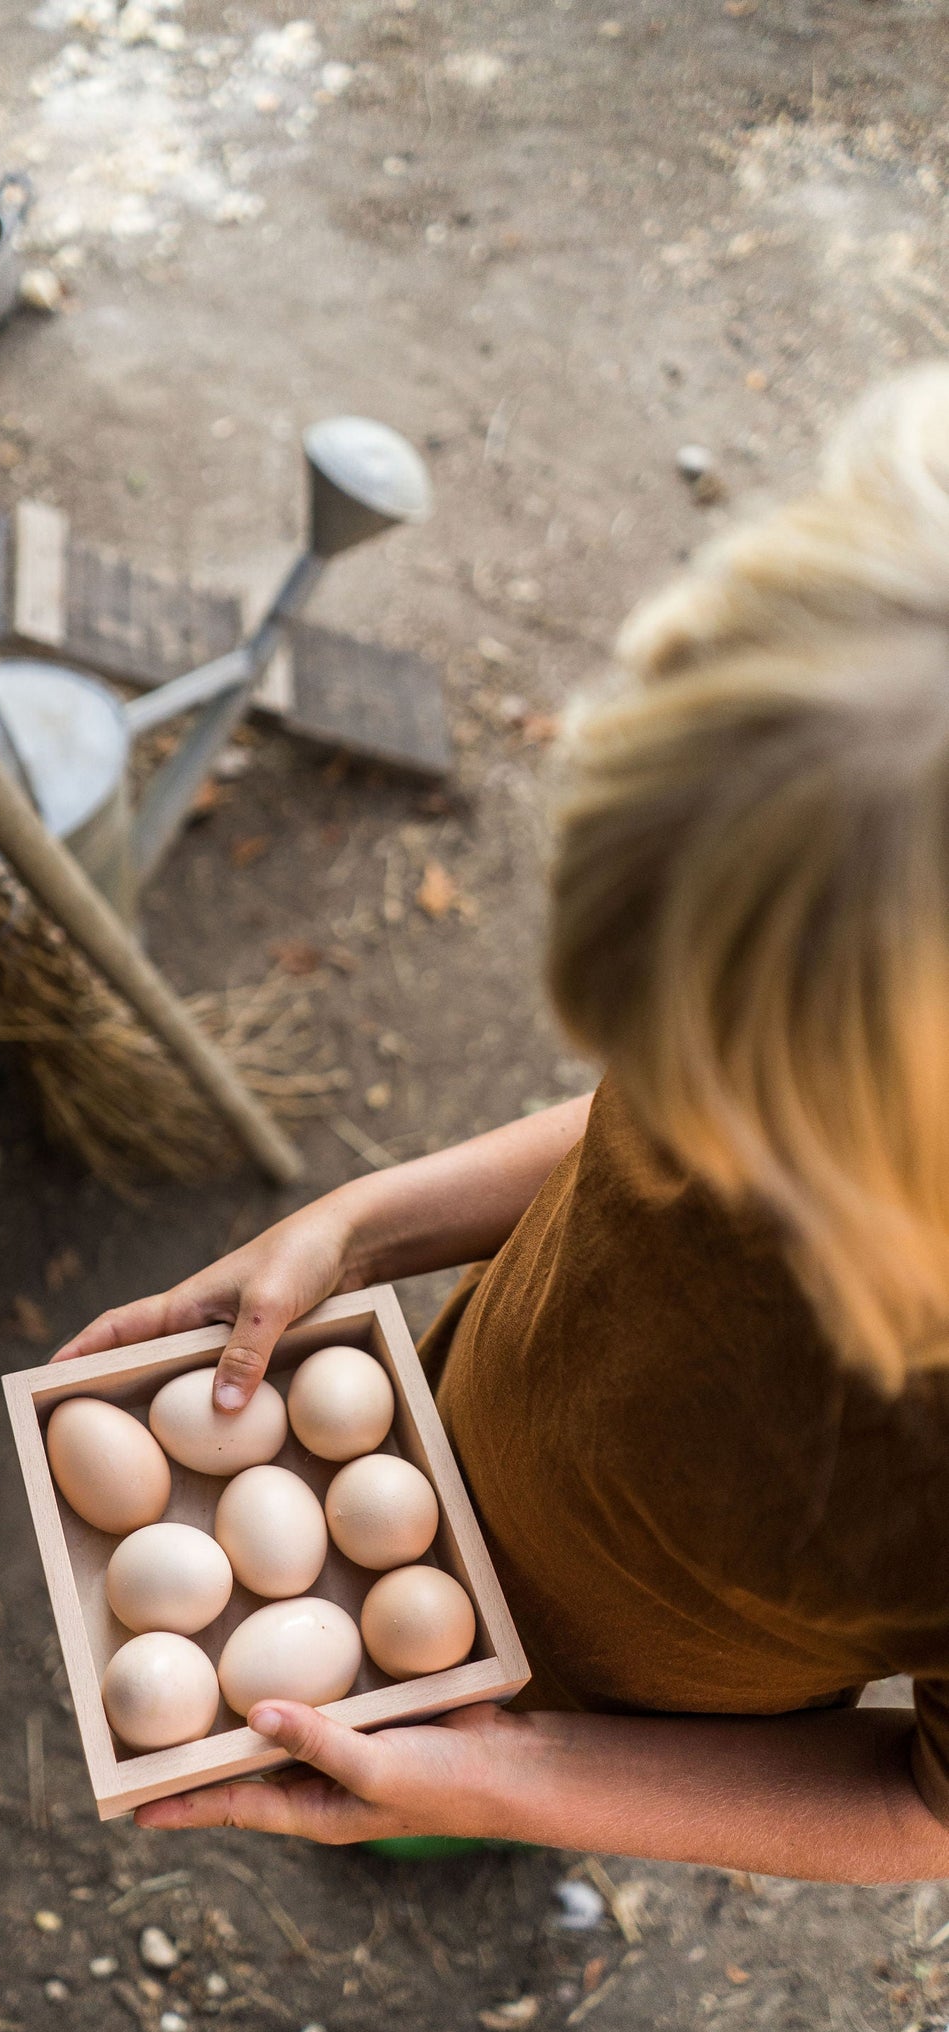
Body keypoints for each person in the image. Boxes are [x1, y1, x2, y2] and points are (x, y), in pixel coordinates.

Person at [55, 368, 949, 1883]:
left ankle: (453, 1834)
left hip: (631, 1714)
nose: (695, 1127)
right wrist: (364, 1229)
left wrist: (516, 1777)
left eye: (776, 1129)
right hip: (476, 1420)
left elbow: (926, 1811)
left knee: (415, 1807)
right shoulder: (849, 934)